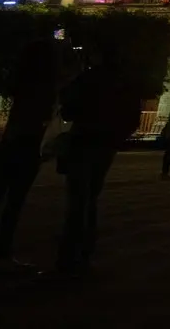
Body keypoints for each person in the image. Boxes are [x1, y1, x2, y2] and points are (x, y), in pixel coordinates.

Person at [53, 44, 142, 275]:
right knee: (91, 198)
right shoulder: (125, 82)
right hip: (106, 145)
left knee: (77, 201)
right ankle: (85, 254)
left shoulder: (89, 78)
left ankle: (68, 258)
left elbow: (67, 109)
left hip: (83, 140)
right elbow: (133, 117)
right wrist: (116, 137)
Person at [0, 39, 61, 264]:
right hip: (28, 144)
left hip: (11, 142)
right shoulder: (45, 85)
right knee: (14, 201)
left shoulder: (22, 79)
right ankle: (2, 249)